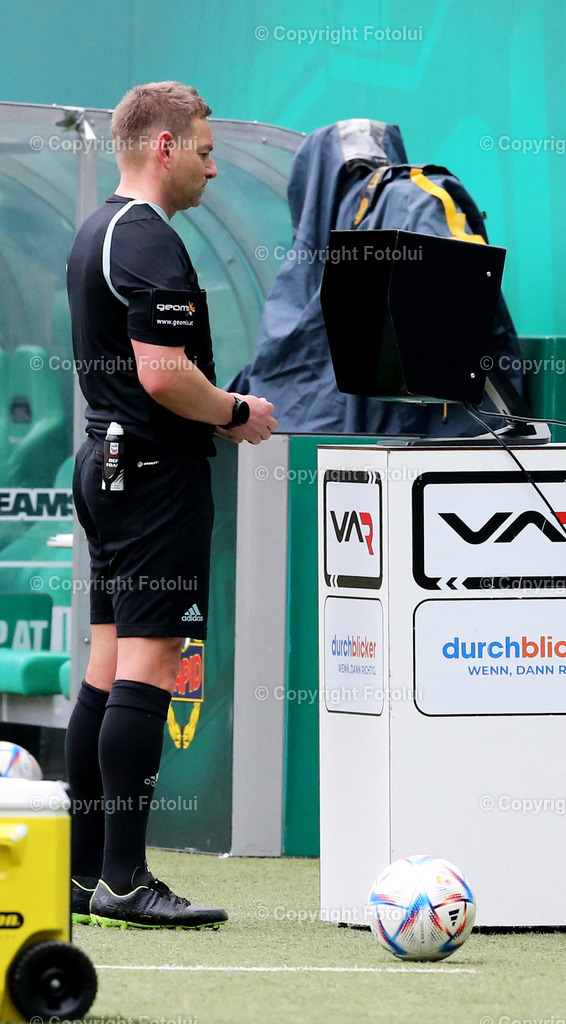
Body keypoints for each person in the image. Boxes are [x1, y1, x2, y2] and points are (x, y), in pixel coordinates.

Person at [65, 81, 277, 929]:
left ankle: (83, 877)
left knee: (106, 666)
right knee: (146, 670)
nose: (214, 168)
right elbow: (163, 374)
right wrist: (235, 414)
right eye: (204, 149)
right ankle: (123, 879)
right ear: (162, 146)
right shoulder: (147, 239)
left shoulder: (101, 231)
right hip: (152, 474)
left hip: (113, 465)